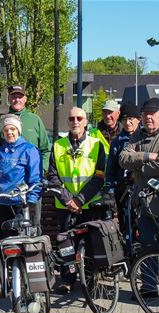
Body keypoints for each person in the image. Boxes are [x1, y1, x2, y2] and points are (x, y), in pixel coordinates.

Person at [119, 98, 159, 297]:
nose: (148, 117)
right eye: (145, 114)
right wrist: (147, 156)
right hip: (143, 202)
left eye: (152, 114)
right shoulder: (137, 135)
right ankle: (149, 287)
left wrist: (139, 168)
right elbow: (122, 159)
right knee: (147, 245)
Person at [48, 107, 106, 294]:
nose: (75, 121)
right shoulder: (58, 146)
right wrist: (68, 201)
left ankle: (91, 281)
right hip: (65, 206)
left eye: (79, 118)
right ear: (68, 121)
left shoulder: (96, 145)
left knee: (91, 244)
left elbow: (99, 177)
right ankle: (67, 279)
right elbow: (53, 177)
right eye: (71, 118)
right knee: (66, 246)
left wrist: (79, 200)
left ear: (86, 121)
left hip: (89, 205)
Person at [0, 85, 50, 233]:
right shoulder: (0, 122)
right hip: (7, 194)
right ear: (9, 98)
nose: (17, 99)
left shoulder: (35, 120)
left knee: (32, 228)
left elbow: (46, 148)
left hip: (31, 186)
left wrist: (41, 173)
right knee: (8, 232)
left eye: (20, 96)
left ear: (25, 99)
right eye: (13, 96)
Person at [0, 114, 41, 238]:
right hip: (3, 203)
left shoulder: (29, 150)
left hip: (22, 203)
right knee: (5, 240)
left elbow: (35, 178)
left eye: (13, 129)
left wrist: (32, 200)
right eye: (6, 130)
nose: (9, 132)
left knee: (24, 239)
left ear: (18, 130)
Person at [105, 102, 141, 241]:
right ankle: (129, 254)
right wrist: (110, 188)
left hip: (143, 187)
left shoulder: (145, 137)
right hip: (124, 190)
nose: (128, 122)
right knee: (126, 224)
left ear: (138, 119)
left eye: (131, 119)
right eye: (124, 119)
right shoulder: (117, 141)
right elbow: (111, 167)